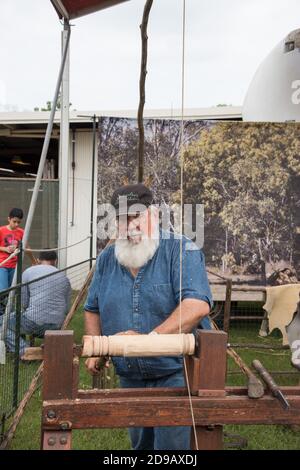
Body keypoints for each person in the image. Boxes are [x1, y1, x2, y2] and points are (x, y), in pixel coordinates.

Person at [84, 184, 213, 450]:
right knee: (141, 446)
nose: (130, 225)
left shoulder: (180, 250)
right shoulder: (108, 258)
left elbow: (196, 305)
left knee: (171, 449)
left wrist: (146, 342)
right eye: (122, 218)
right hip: (130, 375)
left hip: (177, 372)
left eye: (136, 216)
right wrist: (96, 347)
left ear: (153, 215)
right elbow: (92, 307)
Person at [0, 250, 71, 357]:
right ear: (55, 261)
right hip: (57, 325)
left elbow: (23, 302)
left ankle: (25, 351)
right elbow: (67, 308)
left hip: (36, 323)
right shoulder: (64, 277)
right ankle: (24, 346)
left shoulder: (29, 272)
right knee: (16, 318)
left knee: (3, 322)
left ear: (38, 260)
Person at [0, 208, 25, 291]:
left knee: (13, 291)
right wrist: (5, 249)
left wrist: (33, 261)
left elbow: (26, 248)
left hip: (15, 266)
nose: (16, 224)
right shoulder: (1, 230)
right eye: (14, 221)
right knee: (3, 290)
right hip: (2, 264)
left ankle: (10, 304)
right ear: (9, 219)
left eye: (19, 222)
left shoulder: (21, 232)